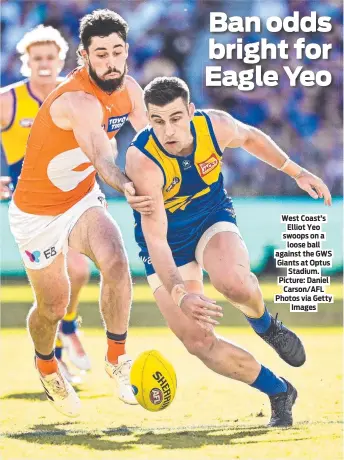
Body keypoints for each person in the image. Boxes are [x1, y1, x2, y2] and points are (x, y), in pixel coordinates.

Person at [125, 76, 332, 427]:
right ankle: (280, 390)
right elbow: (157, 240)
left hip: (210, 218)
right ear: (148, 119)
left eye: (176, 118)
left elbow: (250, 137)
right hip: (166, 247)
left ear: (191, 111)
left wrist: (297, 173)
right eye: (157, 121)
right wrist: (180, 292)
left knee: (233, 282)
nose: (168, 130)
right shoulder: (143, 160)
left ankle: (266, 326)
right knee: (197, 340)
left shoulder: (214, 126)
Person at [8, 9, 153, 417]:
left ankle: (116, 359)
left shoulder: (132, 90)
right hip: (35, 214)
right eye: (101, 54)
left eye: (117, 52)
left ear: (127, 52)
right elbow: (102, 157)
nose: (110, 62)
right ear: (84, 57)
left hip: (81, 198)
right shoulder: (77, 99)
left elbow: (151, 142)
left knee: (116, 261)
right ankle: (47, 364)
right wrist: (127, 185)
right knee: (53, 307)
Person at [0, 25, 90, 383]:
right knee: (53, 288)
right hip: (31, 207)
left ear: (61, 60)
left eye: (50, 58)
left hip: (71, 198)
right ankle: (54, 355)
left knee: (80, 271)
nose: (43, 64)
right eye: (36, 58)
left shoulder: (73, 96)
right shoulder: (9, 100)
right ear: (26, 62)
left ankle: (68, 327)